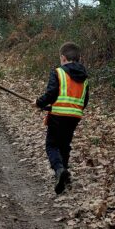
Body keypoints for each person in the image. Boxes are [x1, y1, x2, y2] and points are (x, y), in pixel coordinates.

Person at [35, 42, 89, 195]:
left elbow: (52, 93)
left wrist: (39, 103)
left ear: (63, 58)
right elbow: (84, 100)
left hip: (58, 116)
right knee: (65, 144)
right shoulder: (84, 78)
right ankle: (64, 174)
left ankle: (59, 169)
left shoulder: (58, 72)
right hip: (74, 117)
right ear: (78, 58)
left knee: (51, 145)